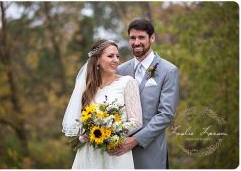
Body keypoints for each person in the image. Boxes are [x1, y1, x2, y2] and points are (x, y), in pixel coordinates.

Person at [110, 18, 180, 168]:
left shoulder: (169, 71)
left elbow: (166, 114)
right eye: (132, 38)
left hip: (150, 150)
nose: (136, 42)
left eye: (141, 37)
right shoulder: (120, 70)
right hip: (119, 151)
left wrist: (135, 140)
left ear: (152, 38)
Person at [63, 39, 143, 168]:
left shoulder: (127, 82)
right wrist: (85, 134)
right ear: (98, 60)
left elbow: (136, 121)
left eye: (117, 56)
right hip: (89, 152)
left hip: (115, 152)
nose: (116, 60)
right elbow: (78, 122)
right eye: (110, 56)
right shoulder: (87, 87)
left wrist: (109, 132)